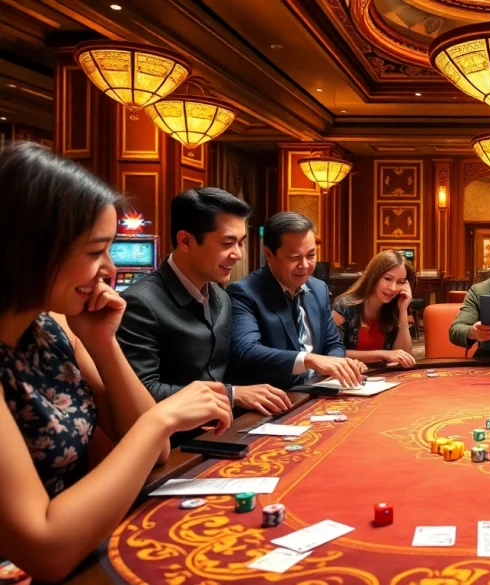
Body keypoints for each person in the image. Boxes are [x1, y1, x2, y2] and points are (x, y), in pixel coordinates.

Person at [0, 143, 232, 581]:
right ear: (27, 249)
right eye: (94, 252)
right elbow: (45, 551)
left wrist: (102, 344)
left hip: (85, 546)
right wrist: (160, 419)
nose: (109, 270)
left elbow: (156, 454)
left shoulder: (54, 327)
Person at [117, 188, 291, 416]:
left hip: (220, 429)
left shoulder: (221, 297)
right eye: (227, 243)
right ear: (186, 241)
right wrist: (230, 395)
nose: (238, 254)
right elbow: (143, 393)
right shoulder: (139, 303)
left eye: (241, 242)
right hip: (172, 443)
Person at [228, 212, 364, 389]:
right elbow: (246, 350)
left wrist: (339, 366)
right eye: (294, 258)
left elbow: (333, 344)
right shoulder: (245, 292)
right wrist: (309, 360)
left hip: (318, 389)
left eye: (311, 255)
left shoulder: (318, 288)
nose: (305, 266)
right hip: (275, 398)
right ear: (269, 254)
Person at [331, 250, 416, 367]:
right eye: (387, 279)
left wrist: (402, 311)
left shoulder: (396, 307)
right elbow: (334, 354)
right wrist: (383, 354)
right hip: (349, 377)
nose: (393, 288)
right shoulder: (344, 306)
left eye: (400, 282)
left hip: (382, 378)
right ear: (374, 276)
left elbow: (403, 357)